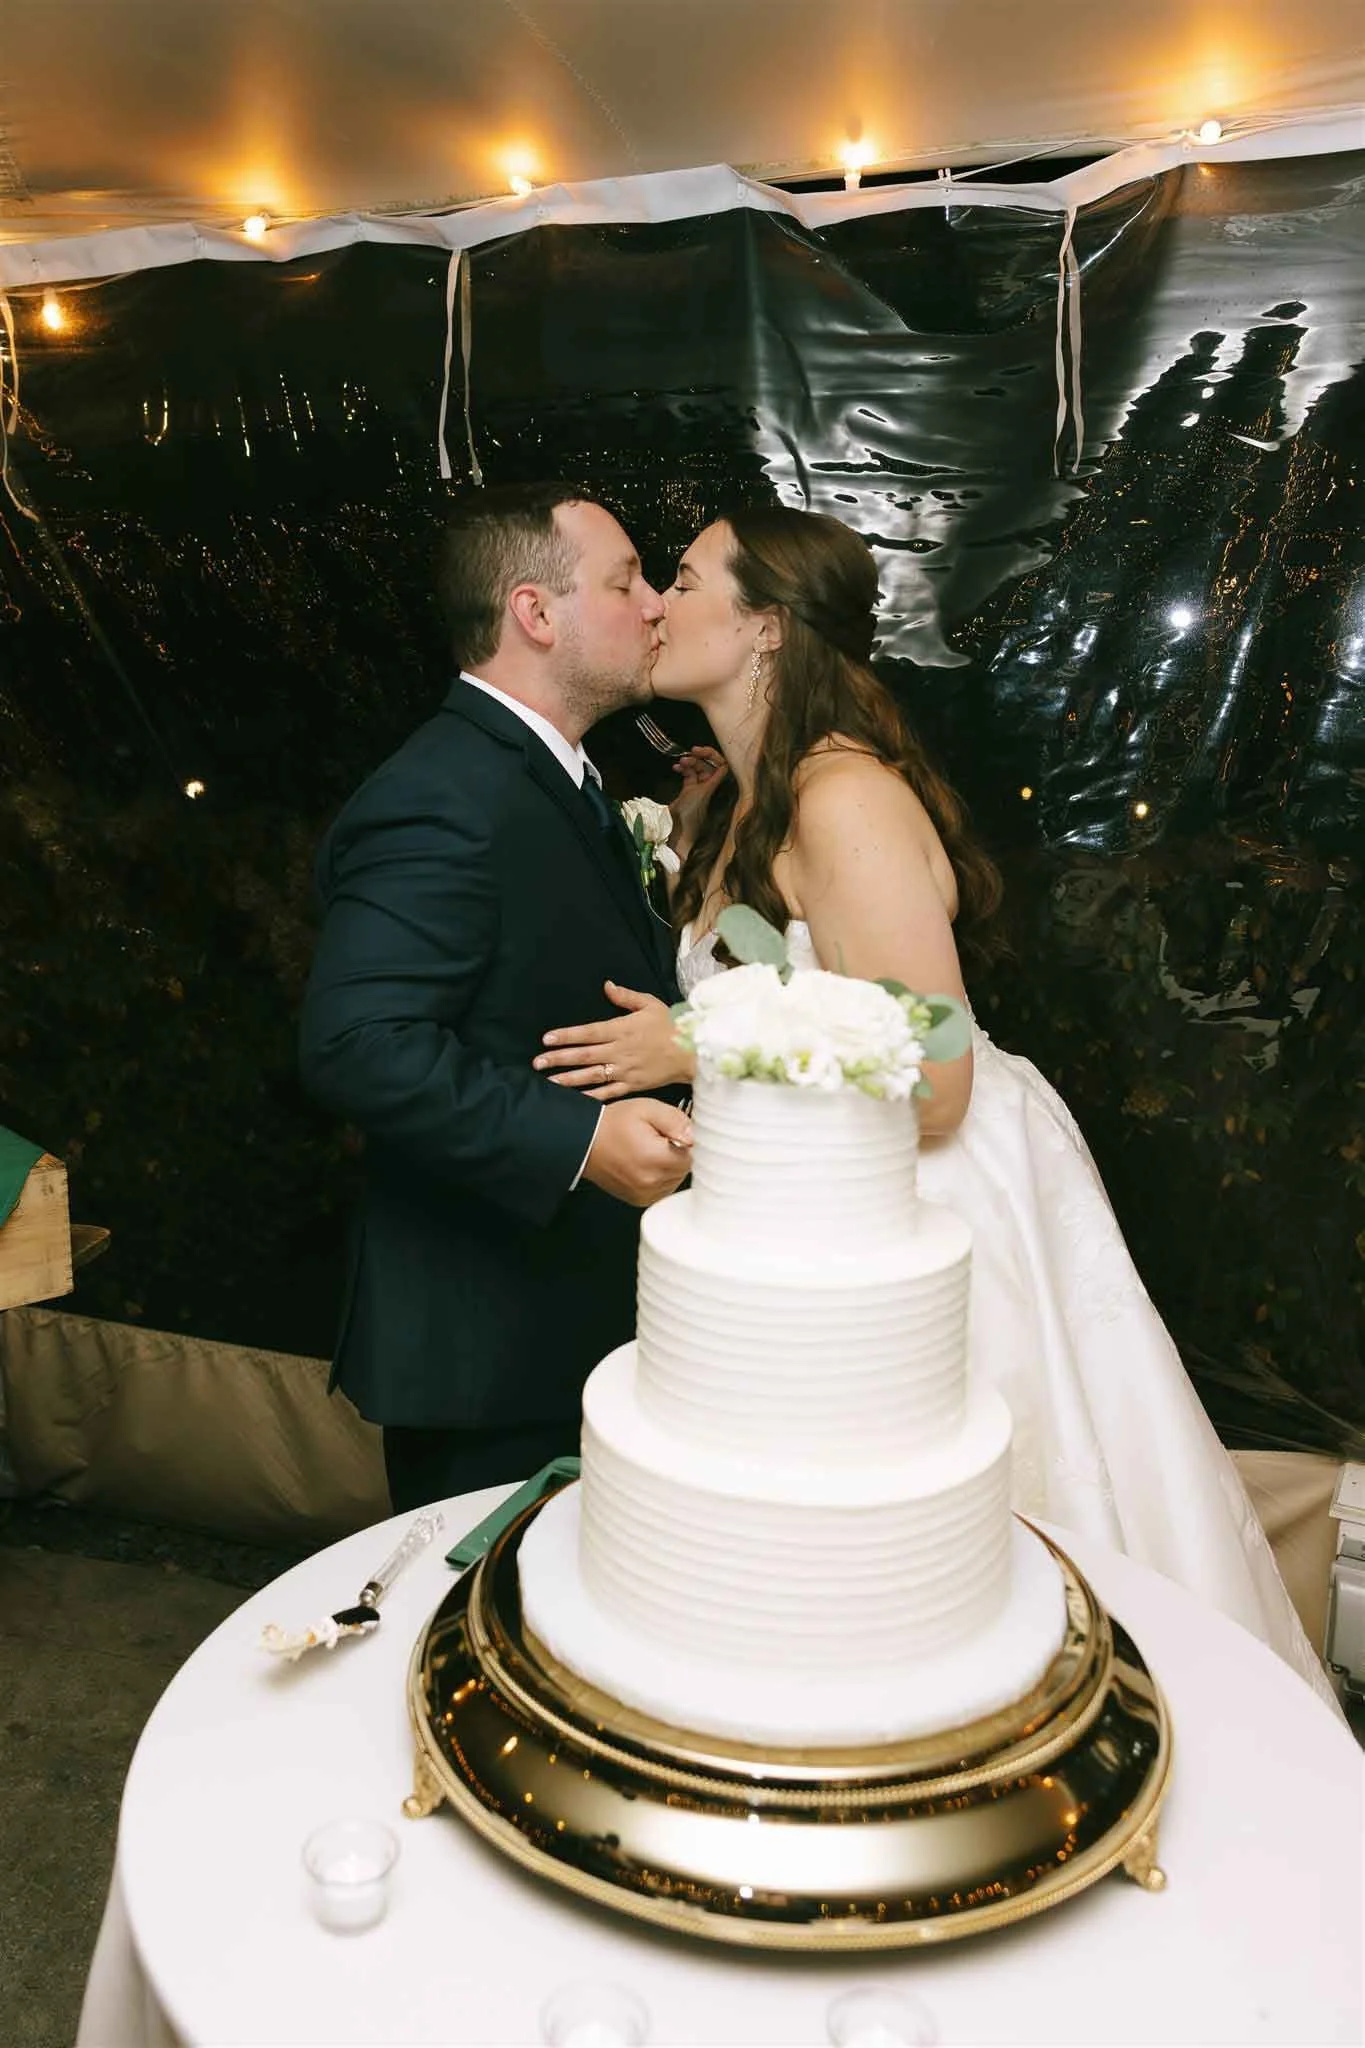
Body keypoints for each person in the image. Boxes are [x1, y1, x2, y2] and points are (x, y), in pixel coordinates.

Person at [533, 504, 1341, 1710]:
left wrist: (693, 1042)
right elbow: (807, 972)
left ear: (763, 626)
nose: (655, 604)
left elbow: (938, 1069)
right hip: (818, 1201)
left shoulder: (842, 798)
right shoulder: (742, 798)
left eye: (685, 580)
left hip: (932, 1192)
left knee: (975, 1542)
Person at [299, 483, 693, 1513]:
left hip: (567, 1322)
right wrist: (582, 1140)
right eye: (626, 580)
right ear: (535, 611)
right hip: (492, 1352)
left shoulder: (550, 774)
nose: (655, 604)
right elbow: (359, 1041)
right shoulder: (442, 791)